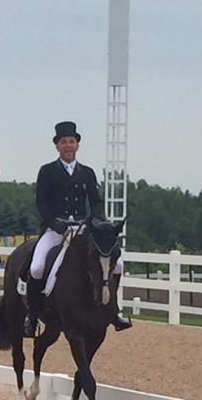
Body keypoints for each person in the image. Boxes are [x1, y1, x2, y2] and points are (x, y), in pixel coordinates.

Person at [23, 120, 132, 337]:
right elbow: (41, 203)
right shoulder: (47, 171)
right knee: (36, 267)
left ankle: (113, 310)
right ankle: (32, 316)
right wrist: (54, 222)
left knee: (117, 264)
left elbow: (96, 202)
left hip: (82, 228)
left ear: (77, 145)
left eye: (71, 141)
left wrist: (98, 221)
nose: (68, 145)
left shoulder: (87, 173)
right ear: (57, 146)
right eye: (64, 142)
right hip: (56, 229)